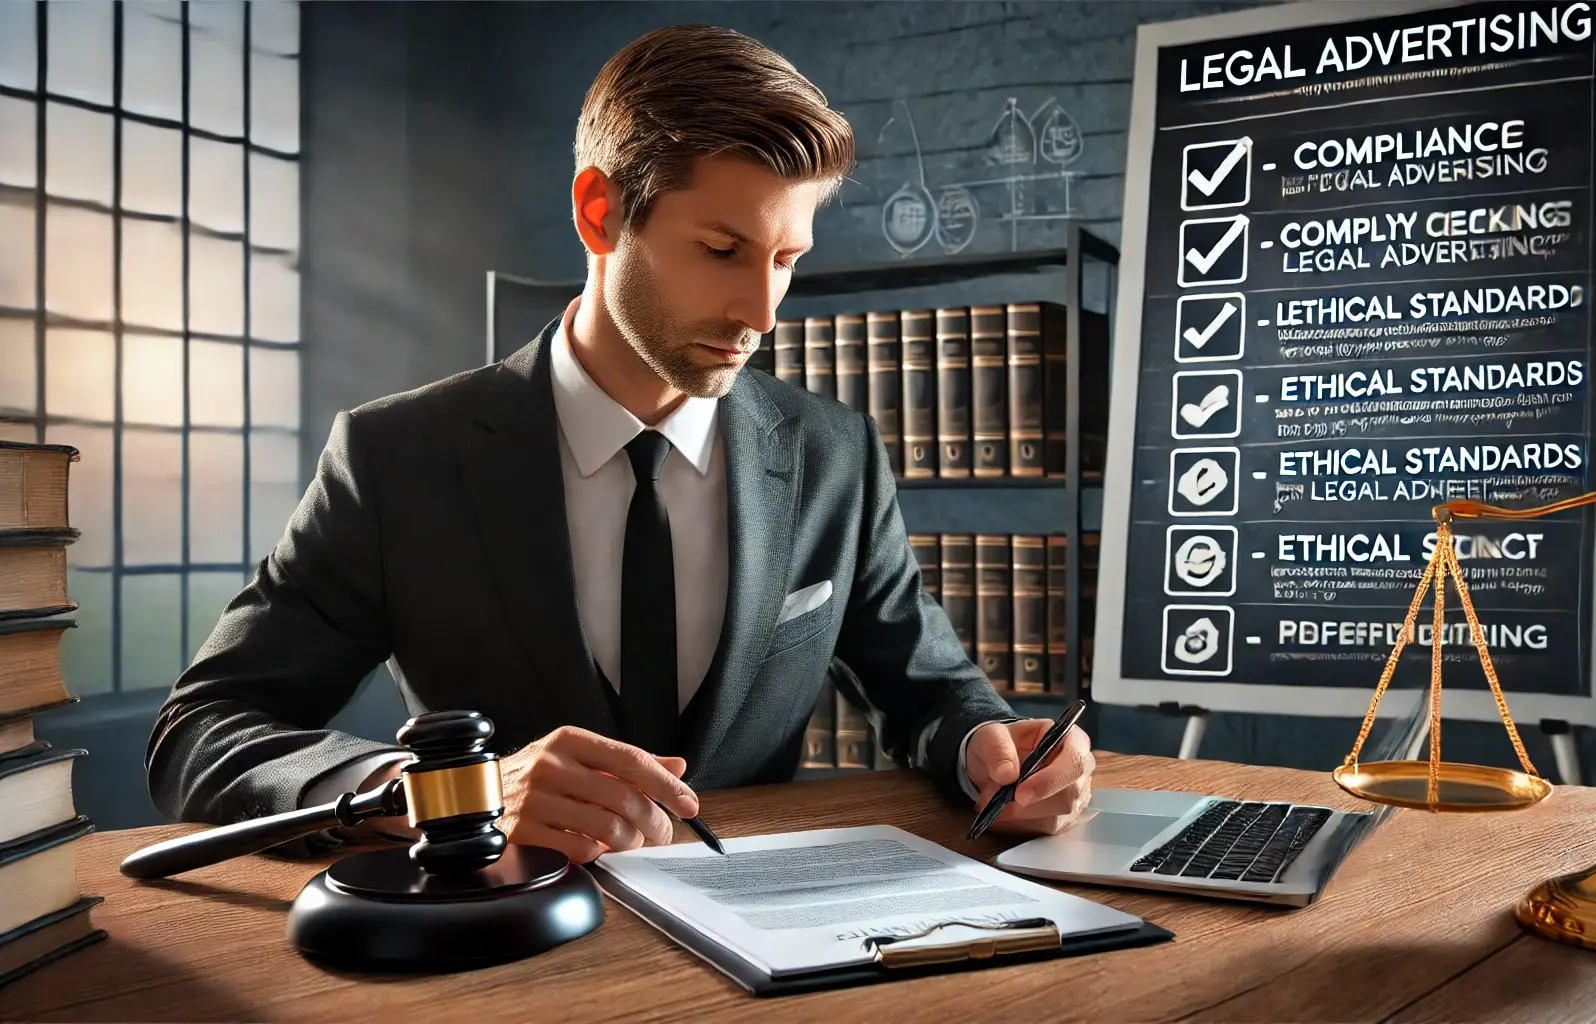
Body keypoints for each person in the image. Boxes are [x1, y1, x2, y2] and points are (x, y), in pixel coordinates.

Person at [146, 24, 1095, 863]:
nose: (762, 309)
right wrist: (453, 796)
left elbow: (928, 688)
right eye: (722, 250)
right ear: (600, 213)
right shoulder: (396, 459)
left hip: (769, 951)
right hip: (502, 957)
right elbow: (200, 733)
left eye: (786, 259)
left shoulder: (832, 453)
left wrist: (989, 747)